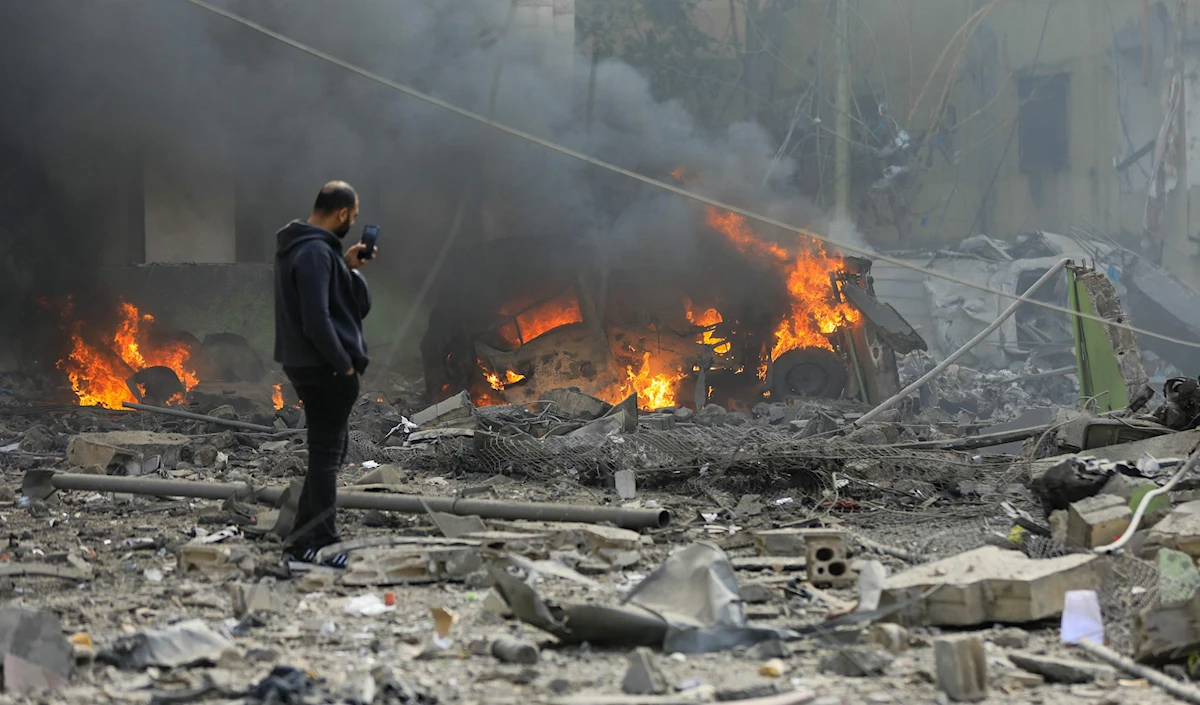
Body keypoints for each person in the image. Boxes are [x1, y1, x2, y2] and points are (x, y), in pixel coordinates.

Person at [273, 181, 375, 567]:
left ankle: (302, 537)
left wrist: (345, 265)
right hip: (323, 368)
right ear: (342, 213)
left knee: (329, 451)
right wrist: (344, 365)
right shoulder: (315, 251)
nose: (353, 222)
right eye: (354, 215)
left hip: (309, 363)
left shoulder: (305, 246)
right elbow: (317, 319)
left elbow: (334, 299)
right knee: (327, 456)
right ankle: (322, 542)